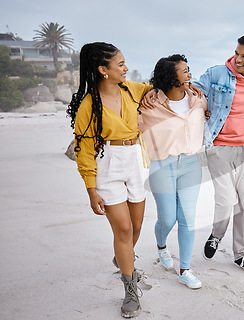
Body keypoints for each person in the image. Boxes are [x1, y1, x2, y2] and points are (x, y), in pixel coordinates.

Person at [67, 42, 152, 318]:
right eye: (120, 64)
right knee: (124, 230)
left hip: (136, 161)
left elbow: (161, 89)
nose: (126, 68)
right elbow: (85, 151)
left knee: (137, 225)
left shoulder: (132, 89)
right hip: (109, 166)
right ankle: (129, 288)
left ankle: (123, 255)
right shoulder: (89, 106)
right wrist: (91, 189)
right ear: (103, 70)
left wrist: (192, 92)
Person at [193, 34, 244, 273]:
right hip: (219, 146)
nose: (237, 59)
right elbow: (193, 91)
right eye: (237, 53)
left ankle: (242, 254)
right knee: (226, 199)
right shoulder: (217, 73)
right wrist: (202, 107)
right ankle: (217, 234)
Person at [138, 54, 207, 290]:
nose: (189, 74)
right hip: (161, 165)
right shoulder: (150, 105)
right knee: (168, 218)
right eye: (184, 71)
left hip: (190, 164)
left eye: (189, 69)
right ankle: (161, 245)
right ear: (170, 77)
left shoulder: (198, 99)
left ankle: (185, 270)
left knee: (187, 219)